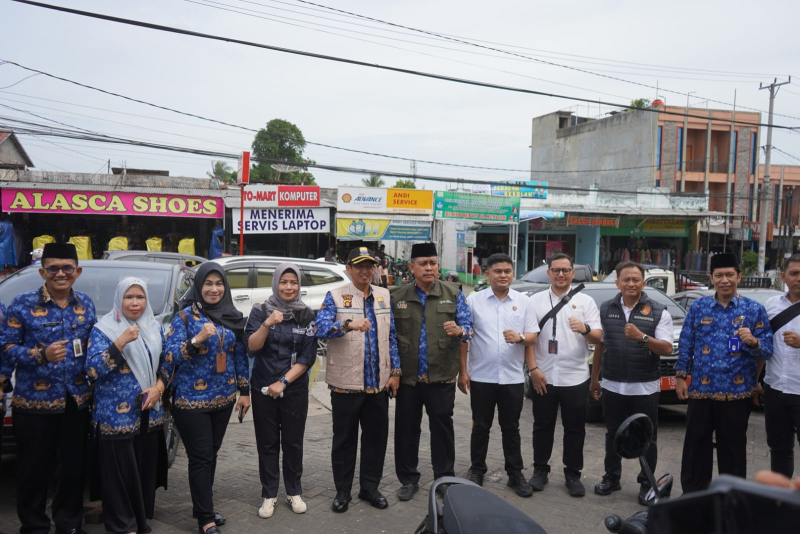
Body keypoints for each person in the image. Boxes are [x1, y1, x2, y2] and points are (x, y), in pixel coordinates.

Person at [0, 242, 97, 534]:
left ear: (77, 271)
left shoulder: (86, 304)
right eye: (53, 268)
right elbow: (6, 348)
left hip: (75, 401)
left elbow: (94, 346)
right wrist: (40, 355)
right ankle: (34, 526)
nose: (60, 274)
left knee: (72, 469)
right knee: (32, 471)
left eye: (67, 268)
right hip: (33, 404)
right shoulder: (22, 304)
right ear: (42, 272)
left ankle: (69, 524)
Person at [163, 262, 251, 534]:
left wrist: (245, 391)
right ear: (199, 286)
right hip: (190, 402)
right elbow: (169, 356)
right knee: (200, 457)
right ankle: (205, 518)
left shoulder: (232, 315)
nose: (214, 289)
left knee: (210, 455)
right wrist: (195, 340)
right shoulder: (185, 318)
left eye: (219, 284)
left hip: (223, 399)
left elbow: (239, 355)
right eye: (208, 284)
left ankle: (203, 504)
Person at [675, 253, 773, 493]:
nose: (724, 280)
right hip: (701, 392)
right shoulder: (699, 307)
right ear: (711, 278)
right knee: (696, 449)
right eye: (719, 275)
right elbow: (687, 342)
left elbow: (768, 350)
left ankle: (731, 501)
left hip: (737, 394)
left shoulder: (754, 310)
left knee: (733, 451)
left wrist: (753, 342)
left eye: (730, 274)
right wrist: (680, 377)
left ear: (739, 276)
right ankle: (694, 500)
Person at [316, 247, 400, 513]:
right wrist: (347, 325)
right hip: (346, 383)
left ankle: (369, 488)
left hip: (378, 384)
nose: (365, 270)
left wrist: (395, 372)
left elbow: (393, 337)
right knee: (344, 441)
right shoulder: (335, 296)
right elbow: (318, 328)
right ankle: (343, 491)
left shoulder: (384, 295)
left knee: (376, 439)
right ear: (349, 269)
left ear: (375, 268)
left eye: (370, 266)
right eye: (359, 266)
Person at [391, 243, 473, 502]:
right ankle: (408, 479)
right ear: (412, 267)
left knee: (442, 429)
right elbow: (391, 337)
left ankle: (444, 478)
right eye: (423, 263)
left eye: (433, 263)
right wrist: (394, 371)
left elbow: (470, 328)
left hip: (441, 376)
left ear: (438, 266)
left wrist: (460, 331)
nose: (429, 267)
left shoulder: (454, 292)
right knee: (406, 429)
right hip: (408, 378)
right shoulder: (397, 296)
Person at [87, 278, 168, 534]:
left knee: (141, 472)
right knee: (119, 476)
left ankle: (139, 521)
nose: (135, 303)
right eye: (129, 297)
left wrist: (158, 388)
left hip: (148, 413)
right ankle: (123, 526)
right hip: (114, 416)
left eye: (140, 297)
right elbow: (92, 370)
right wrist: (119, 342)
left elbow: (167, 363)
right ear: (119, 299)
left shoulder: (154, 327)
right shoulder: (104, 329)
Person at [590, 261, 673, 504]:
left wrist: (643, 337)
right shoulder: (606, 309)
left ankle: (646, 482)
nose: (631, 283)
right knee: (612, 434)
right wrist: (595, 379)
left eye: (636, 279)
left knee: (646, 436)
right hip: (612, 385)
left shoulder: (659, 311)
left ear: (643, 283)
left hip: (644, 387)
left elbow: (667, 348)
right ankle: (612, 477)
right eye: (626, 279)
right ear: (617, 282)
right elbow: (600, 346)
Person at [459, 253, 539, 497]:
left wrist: (520, 338)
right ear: (487, 274)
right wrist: (462, 371)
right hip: (481, 377)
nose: (503, 275)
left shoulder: (524, 302)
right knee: (480, 427)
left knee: (511, 429)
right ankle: (477, 471)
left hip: (512, 379)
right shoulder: (474, 301)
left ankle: (515, 474)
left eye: (507, 271)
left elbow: (533, 336)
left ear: (513, 274)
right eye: (498, 271)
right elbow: (464, 336)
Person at [245, 263, 317, 519]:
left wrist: (283, 382)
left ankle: (294, 491)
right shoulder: (260, 310)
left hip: (294, 390)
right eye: (284, 282)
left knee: (293, 442)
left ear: (299, 285)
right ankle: (269, 494)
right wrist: (267, 323)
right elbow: (252, 347)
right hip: (262, 388)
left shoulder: (306, 315)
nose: (289, 287)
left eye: (293, 282)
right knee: (267, 443)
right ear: (276, 283)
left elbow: (307, 358)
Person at [528, 253, 602, 497]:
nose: (561, 274)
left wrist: (586, 329)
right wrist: (533, 370)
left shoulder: (586, 302)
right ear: (548, 272)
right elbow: (528, 339)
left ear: (572, 273)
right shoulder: (535, 301)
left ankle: (573, 474)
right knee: (542, 426)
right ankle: (540, 471)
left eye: (566, 270)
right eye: (556, 270)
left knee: (575, 428)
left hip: (575, 376)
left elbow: (599, 338)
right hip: (544, 376)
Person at [761, 253, 800, 479]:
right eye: (794, 273)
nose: (798, 278)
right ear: (784, 277)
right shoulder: (772, 305)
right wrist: (757, 382)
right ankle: (782, 501)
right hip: (774, 388)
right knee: (779, 449)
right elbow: (763, 346)